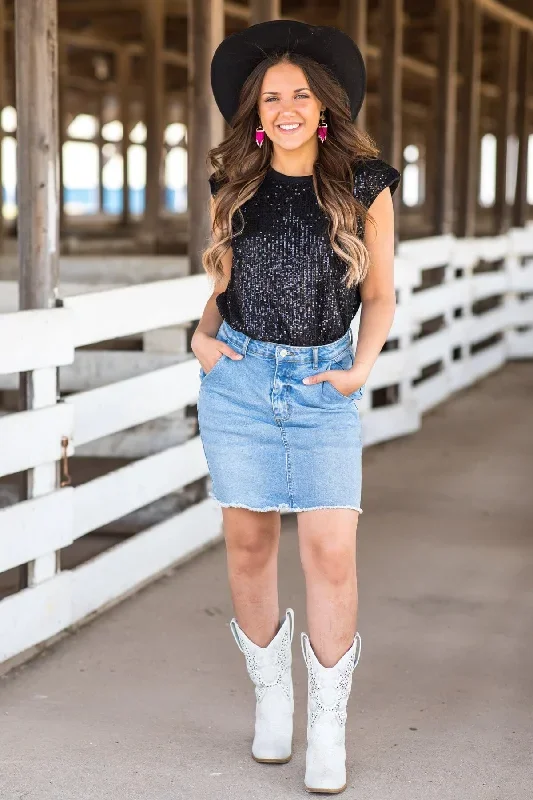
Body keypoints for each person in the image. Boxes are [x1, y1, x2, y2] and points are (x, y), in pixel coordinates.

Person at [191, 19, 400, 795]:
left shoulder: (364, 183)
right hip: (239, 381)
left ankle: (328, 726)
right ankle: (272, 701)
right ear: (255, 111)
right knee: (247, 546)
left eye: (299, 93)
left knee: (329, 551)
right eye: (270, 95)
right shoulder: (232, 182)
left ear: (322, 108)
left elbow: (377, 294)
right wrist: (200, 340)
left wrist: (359, 368)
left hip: (321, 385)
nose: (284, 105)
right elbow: (220, 283)